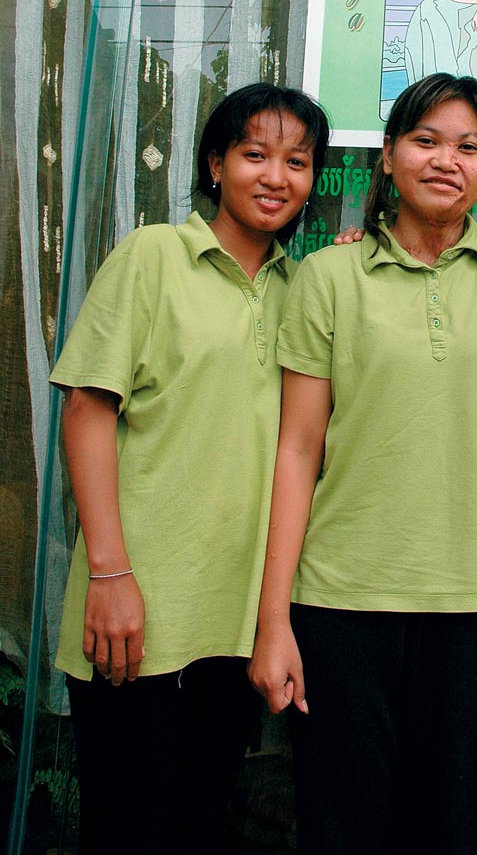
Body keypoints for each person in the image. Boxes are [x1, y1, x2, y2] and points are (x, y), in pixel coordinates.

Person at [249, 73, 477, 855]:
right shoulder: (331, 275)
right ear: (388, 157)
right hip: (341, 603)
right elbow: (297, 449)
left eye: (468, 146)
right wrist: (273, 620)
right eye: (426, 140)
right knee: (344, 826)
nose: (445, 160)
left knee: (457, 829)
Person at [50, 83, 330, 855]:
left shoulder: (304, 289)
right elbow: (87, 409)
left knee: (200, 822)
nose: (276, 176)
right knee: (125, 827)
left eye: (297, 161)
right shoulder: (153, 255)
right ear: (215, 163)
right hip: (135, 611)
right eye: (255, 154)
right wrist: (109, 573)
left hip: (235, 625)